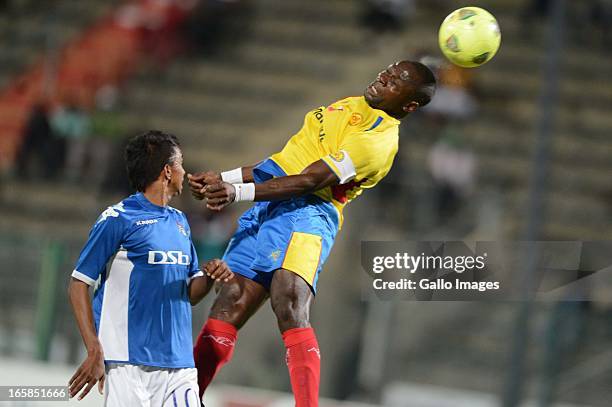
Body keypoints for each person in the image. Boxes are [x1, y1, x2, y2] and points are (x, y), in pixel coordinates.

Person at [188, 60, 436, 406]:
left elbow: (310, 180)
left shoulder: (377, 142)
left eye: (396, 81)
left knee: (288, 302)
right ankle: (184, 399)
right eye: (389, 70)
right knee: (229, 302)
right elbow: (283, 162)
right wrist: (224, 178)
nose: (385, 77)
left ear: (408, 105)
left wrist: (236, 194)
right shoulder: (348, 105)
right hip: (270, 202)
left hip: (309, 213)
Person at [67, 130, 233, 406]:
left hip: (179, 364)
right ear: (167, 171)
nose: (184, 171)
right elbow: (78, 283)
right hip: (128, 363)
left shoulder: (180, 221)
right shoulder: (118, 219)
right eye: (180, 164)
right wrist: (94, 348)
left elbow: (190, 293)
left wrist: (210, 274)